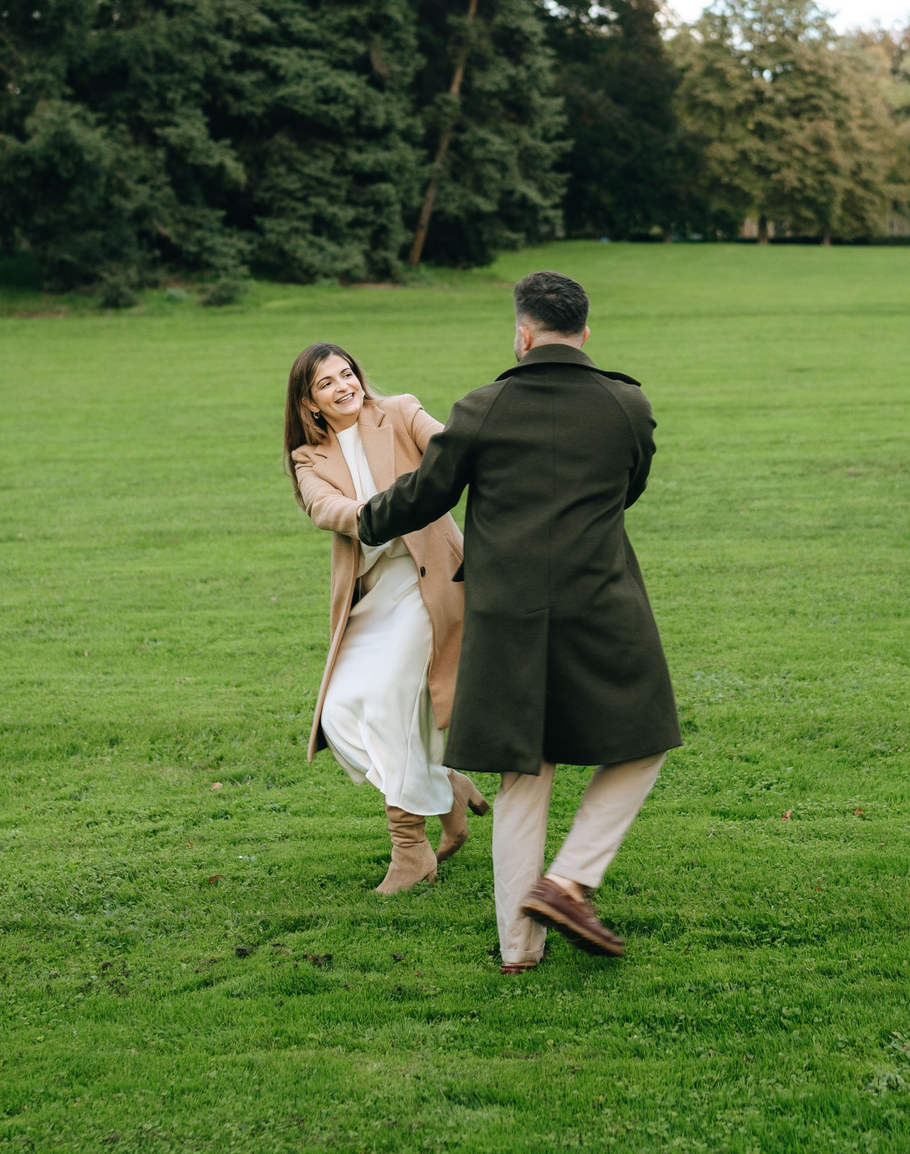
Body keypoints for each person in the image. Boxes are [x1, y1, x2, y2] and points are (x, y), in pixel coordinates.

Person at [357, 271, 680, 973]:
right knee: (645, 739)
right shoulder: (629, 405)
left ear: (523, 334)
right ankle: (569, 881)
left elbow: (425, 494)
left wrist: (363, 518)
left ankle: (518, 951)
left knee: (523, 775)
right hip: (603, 603)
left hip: (507, 616)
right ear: (585, 335)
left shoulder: (482, 407)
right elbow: (630, 490)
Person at [285, 343, 491, 895]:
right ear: (310, 404)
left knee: (390, 704)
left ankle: (410, 850)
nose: (343, 386)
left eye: (346, 374)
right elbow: (322, 508)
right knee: (340, 712)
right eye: (326, 383)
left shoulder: (399, 411)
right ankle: (444, 784)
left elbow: (451, 449)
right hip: (372, 597)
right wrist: (374, 514)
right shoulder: (309, 458)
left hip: (428, 587)